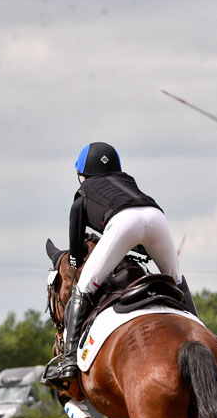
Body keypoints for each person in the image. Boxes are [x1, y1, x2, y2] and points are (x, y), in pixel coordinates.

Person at [52, 141, 198, 385]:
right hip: (156, 216)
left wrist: (77, 261)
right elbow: (141, 239)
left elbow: (76, 247)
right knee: (177, 280)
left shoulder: (83, 193)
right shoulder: (128, 182)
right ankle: (206, 337)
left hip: (122, 223)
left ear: (83, 174)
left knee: (83, 287)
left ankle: (69, 359)